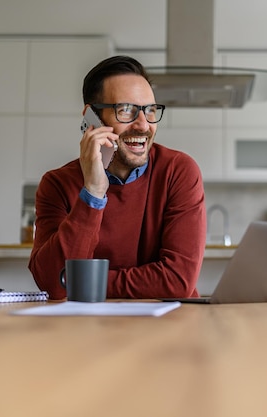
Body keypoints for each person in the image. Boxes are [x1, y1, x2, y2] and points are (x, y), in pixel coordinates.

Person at [28, 55, 206, 300]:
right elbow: (53, 283)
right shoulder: (57, 185)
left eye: (150, 110)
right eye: (126, 110)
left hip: (171, 327)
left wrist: (83, 282)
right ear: (91, 118)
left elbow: (177, 281)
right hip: (88, 330)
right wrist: (93, 193)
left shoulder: (179, 171)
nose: (144, 125)